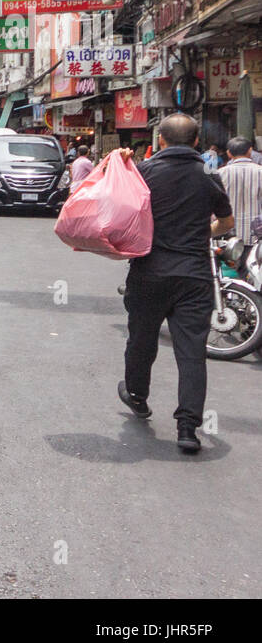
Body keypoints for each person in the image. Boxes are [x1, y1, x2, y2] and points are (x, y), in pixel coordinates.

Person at [118, 114, 233, 454]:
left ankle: (138, 396)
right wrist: (202, 234)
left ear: (162, 141)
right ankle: (187, 428)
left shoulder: (144, 172)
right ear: (197, 142)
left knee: (141, 340)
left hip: (149, 272)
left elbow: (120, 213)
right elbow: (226, 222)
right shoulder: (208, 177)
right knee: (192, 352)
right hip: (195, 276)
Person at [217, 136, 262, 241]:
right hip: (257, 235)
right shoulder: (260, 172)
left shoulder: (220, 174)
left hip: (228, 236)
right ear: (250, 150)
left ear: (228, 153)